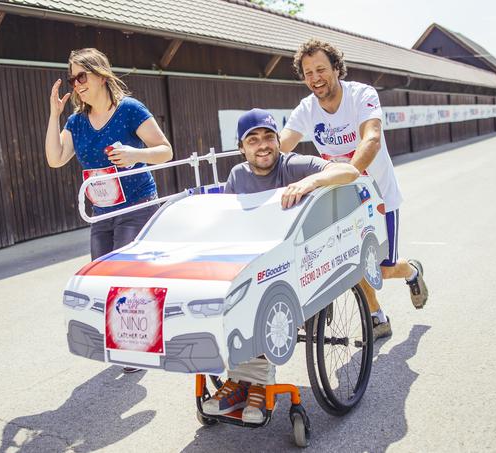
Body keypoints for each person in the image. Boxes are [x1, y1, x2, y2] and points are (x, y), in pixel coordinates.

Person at [201, 108, 360, 423]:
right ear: (242, 147)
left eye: (269, 137)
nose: (263, 145)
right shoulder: (237, 176)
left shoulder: (295, 165)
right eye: (253, 139)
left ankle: (258, 383)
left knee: (258, 294)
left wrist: (309, 183)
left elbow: (350, 173)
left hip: (298, 265)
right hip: (255, 260)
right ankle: (237, 381)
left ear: (278, 140)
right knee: (231, 291)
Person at [279, 39, 429, 340]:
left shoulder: (362, 95)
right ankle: (377, 316)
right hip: (341, 197)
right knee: (351, 264)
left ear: (336, 68)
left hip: (379, 194)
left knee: (381, 269)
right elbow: (283, 145)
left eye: (321, 69)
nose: (315, 78)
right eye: (308, 73)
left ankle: (410, 271)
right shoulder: (306, 109)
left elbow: (371, 139)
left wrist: (349, 173)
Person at [45, 48, 173, 373]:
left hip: (137, 204)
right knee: (103, 278)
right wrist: (53, 115)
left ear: (101, 75)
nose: (76, 84)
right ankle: (130, 339)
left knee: (126, 274)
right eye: (73, 78)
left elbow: (165, 151)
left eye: (81, 76)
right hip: (101, 212)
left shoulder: (129, 110)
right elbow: (55, 158)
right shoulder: (76, 121)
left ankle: (135, 346)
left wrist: (134, 154)